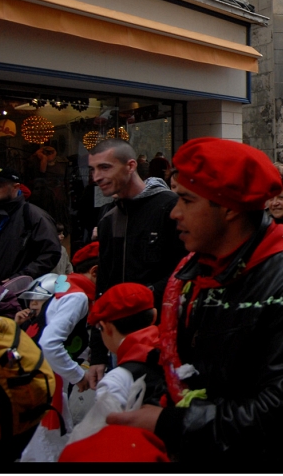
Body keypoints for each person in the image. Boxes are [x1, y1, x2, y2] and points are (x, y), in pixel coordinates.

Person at [106, 137, 283, 463]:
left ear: (229, 207)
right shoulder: (199, 269)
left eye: (186, 200)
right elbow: (183, 361)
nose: (174, 213)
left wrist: (172, 423)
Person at [84, 138, 183, 391]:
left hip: (166, 337)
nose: (96, 177)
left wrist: (140, 297)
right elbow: (104, 287)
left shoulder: (170, 208)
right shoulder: (109, 220)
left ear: (130, 166)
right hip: (120, 344)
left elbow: (185, 272)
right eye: (93, 170)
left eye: (104, 167)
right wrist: (96, 354)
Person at [17, 247, 99, 461]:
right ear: (95, 271)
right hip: (49, 377)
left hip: (46, 376)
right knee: (47, 441)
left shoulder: (66, 286)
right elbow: (50, 343)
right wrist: (77, 375)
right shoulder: (78, 296)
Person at [68, 283, 162, 445]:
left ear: (106, 328)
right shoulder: (173, 354)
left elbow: (96, 439)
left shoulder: (116, 381)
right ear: (154, 316)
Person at [0, 168, 61, 281]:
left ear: (15, 187)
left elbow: (50, 253)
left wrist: (20, 278)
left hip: (18, 293)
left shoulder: (33, 216)